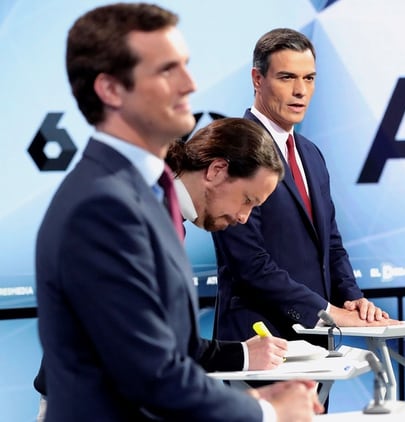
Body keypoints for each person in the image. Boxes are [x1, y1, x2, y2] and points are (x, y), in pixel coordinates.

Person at [35, 4, 322, 421]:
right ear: (111, 90)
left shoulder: (143, 193)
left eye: (186, 66)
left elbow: (167, 345)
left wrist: (245, 360)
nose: (189, 83)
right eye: (168, 70)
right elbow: (152, 376)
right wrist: (267, 410)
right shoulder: (106, 207)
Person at [211, 28, 397, 348]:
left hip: (317, 340)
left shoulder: (310, 153)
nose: (301, 91)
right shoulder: (232, 149)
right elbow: (249, 263)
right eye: (287, 77)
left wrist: (353, 300)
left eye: (309, 78)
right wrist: (326, 311)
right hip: (258, 339)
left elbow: (331, 244)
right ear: (257, 79)